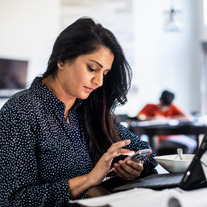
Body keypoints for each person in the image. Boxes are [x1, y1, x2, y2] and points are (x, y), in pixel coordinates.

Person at [0, 17, 158, 207]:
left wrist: (134, 168)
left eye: (105, 73)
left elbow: (147, 153)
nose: (99, 82)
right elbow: (12, 200)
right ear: (62, 59)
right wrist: (88, 180)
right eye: (92, 69)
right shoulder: (21, 111)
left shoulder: (90, 109)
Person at [137, 90, 197, 154]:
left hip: (171, 136)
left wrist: (167, 119)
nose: (164, 109)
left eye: (166, 107)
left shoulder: (172, 107)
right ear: (160, 100)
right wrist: (153, 118)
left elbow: (188, 117)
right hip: (155, 137)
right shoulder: (149, 106)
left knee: (192, 144)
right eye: (162, 106)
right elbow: (140, 116)